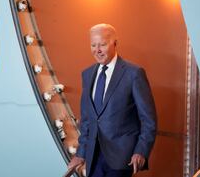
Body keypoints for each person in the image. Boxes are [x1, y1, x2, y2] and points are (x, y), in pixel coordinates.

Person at [67, 24, 157, 177]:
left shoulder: (133, 74)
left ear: (115, 43)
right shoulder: (87, 75)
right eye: (93, 45)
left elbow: (149, 120)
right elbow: (87, 119)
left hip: (122, 158)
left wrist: (141, 151)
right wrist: (81, 153)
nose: (97, 50)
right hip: (93, 157)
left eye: (102, 44)